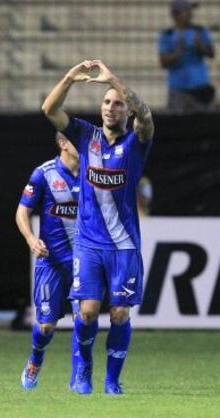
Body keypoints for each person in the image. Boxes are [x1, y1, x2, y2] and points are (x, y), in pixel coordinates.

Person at [42, 59, 154, 395]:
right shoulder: (84, 135)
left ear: (124, 111)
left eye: (117, 103)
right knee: (88, 312)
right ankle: (82, 369)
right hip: (89, 243)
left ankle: (112, 381)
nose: (111, 107)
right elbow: (49, 109)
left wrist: (114, 80)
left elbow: (146, 116)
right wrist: (69, 78)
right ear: (99, 108)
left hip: (123, 246)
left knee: (119, 313)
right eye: (106, 102)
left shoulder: (136, 142)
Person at [16, 132, 80, 390]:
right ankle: (36, 359)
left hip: (82, 263)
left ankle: (80, 378)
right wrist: (31, 239)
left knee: (84, 319)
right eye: (76, 139)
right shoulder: (44, 174)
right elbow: (22, 211)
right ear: (63, 143)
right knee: (45, 327)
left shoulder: (92, 173)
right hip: (51, 263)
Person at [158, 0, 215, 113]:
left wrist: (200, 46)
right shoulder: (167, 34)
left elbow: (211, 53)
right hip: (178, 90)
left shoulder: (199, 31)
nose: (190, 14)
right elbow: (163, 62)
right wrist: (178, 53)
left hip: (200, 88)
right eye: (186, 11)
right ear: (175, 14)